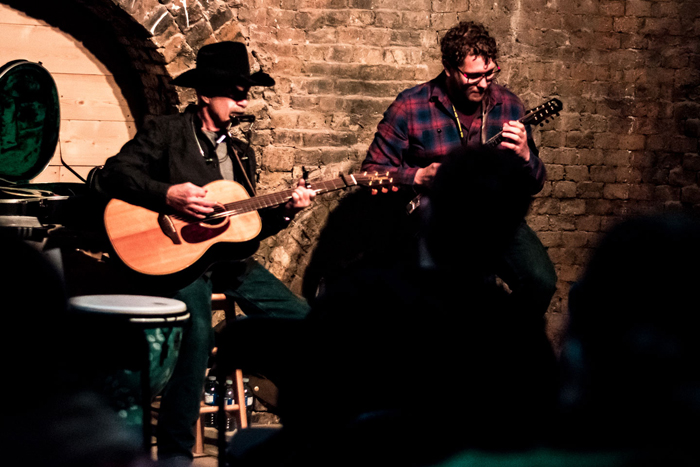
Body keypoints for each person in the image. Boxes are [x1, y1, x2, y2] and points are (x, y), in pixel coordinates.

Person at [217, 148, 559, 467]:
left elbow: (306, 409)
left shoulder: (361, 295)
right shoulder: (521, 335)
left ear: (428, 211)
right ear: (511, 230)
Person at [94, 41, 316, 465]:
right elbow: (114, 175)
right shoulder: (166, 132)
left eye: (245, 94)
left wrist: (286, 214)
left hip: (229, 265)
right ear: (205, 95)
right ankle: (176, 454)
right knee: (197, 339)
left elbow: (245, 228)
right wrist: (168, 195)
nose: (243, 103)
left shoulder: (241, 153)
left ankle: (308, 429)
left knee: (305, 320)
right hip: (177, 264)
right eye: (235, 94)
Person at [362, 20, 556, 320]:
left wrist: (525, 154)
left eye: (490, 74)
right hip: (435, 219)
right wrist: (417, 176)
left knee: (541, 281)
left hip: (493, 217)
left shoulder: (509, 106)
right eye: (473, 76)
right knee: (464, 288)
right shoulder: (411, 106)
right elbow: (370, 172)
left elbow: (535, 183)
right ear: (449, 69)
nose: (483, 84)